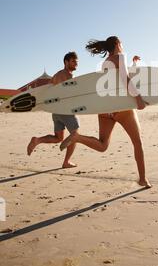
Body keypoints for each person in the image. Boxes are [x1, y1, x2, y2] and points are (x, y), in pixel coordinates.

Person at [60, 36, 151, 187]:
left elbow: (116, 76)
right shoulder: (120, 56)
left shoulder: (105, 62)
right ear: (117, 44)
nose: (122, 46)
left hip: (105, 108)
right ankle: (142, 179)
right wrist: (138, 99)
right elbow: (125, 78)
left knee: (102, 145)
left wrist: (134, 63)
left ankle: (77, 137)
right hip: (121, 108)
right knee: (137, 142)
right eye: (121, 43)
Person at [27, 52, 79, 168]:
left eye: (77, 62)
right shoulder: (69, 76)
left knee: (58, 138)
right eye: (73, 61)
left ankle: (37, 140)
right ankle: (66, 162)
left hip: (56, 111)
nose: (76, 64)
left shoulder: (55, 76)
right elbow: (70, 94)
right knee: (75, 136)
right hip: (66, 111)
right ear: (66, 62)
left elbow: (48, 92)